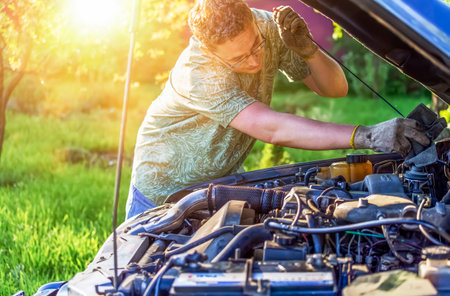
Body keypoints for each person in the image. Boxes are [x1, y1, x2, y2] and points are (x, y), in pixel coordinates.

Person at [125, 0, 429, 219]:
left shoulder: (268, 28)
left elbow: (335, 89)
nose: (255, 62)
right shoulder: (197, 72)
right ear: (207, 50)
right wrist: (367, 135)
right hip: (162, 191)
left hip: (221, 183)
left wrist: (309, 51)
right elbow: (271, 127)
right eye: (240, 59)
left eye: (256, 46)